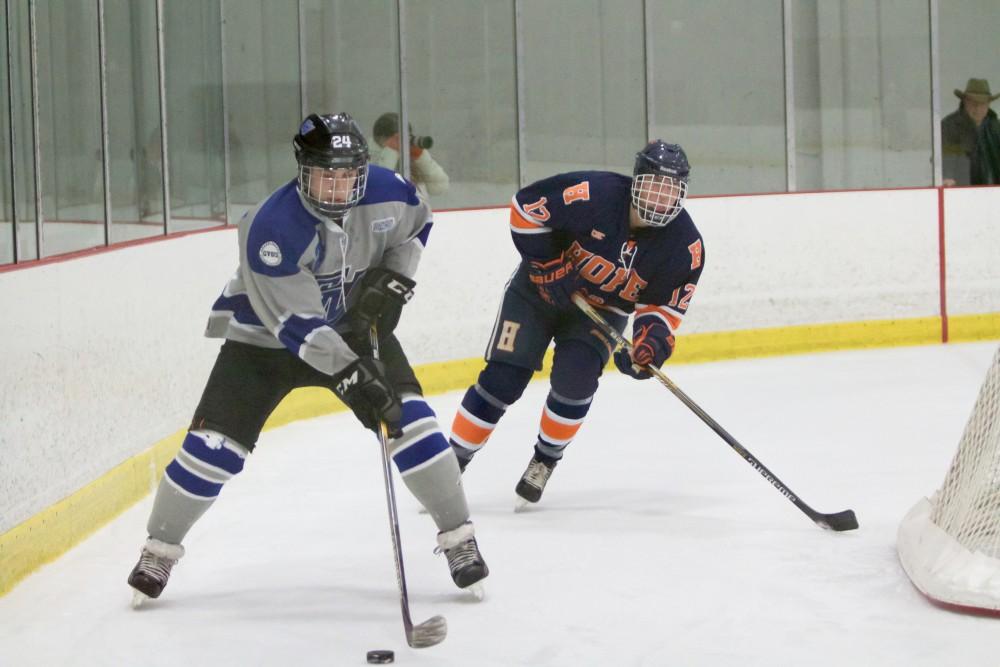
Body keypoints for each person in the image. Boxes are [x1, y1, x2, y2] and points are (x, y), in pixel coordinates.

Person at [127, 112, 488, 605]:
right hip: (263, 342)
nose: (339, 187)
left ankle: (459, 541)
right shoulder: (270, 226)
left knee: (413, 423)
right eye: (326, 174)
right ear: (303, 170)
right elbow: (297, 328)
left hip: (353, 329)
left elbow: (417, 224)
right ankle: (158, 550)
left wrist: (394, 281)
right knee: (212, 450)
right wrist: (354, 376)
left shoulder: (388, 191)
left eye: (347, 174)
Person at [448, 140, 705, 508]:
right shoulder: (593, 194)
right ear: (637, 181)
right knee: (503, 379)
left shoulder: (685, 246)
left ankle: (545, 460)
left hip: (601, 312)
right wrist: (547, 264)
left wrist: (650, 344)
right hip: (535, 293)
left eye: (671, 190)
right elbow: (526, 209)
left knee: (576, 383)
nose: (661, 198)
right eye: (654, 185)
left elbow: (663, 308)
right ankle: (450, 463)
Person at [370, 112, 450, 199]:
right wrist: (391, 151)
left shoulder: (411, 159)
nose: (402, 142)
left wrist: (421, 157)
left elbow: (440, 187)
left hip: (416, 210)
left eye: (405, 137)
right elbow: (379, 188)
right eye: (397, 138)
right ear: (381, 140)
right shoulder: (369, 158)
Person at [942, 78, 1000, 186]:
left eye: (982, 103)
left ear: (989, 104)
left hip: (994, 193)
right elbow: (946, 156)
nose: (977, 108)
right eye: (973, 103)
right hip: (962, 192)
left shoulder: (995, 126)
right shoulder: (950, 125)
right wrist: (947, 176)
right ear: (965, 102)